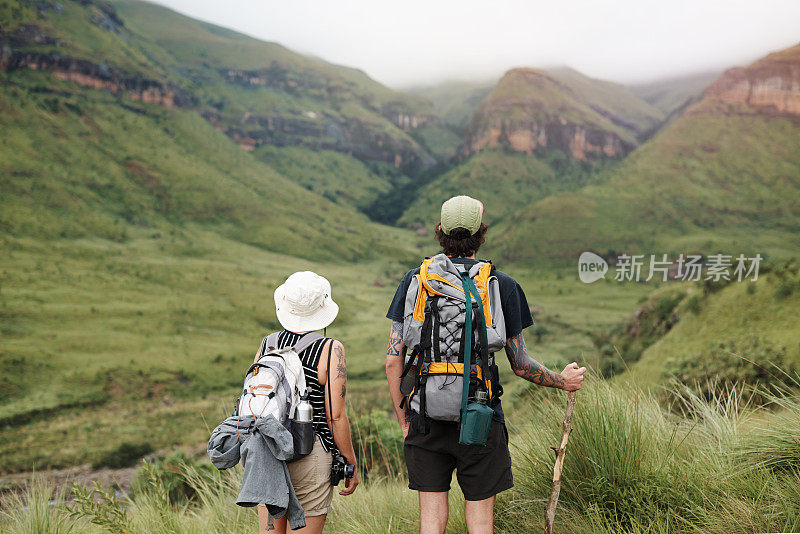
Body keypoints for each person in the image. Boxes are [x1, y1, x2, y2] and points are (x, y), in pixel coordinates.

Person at [385, 195, 585, 534]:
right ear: (481, 233)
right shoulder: (502, 285)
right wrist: (562, 381)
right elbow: (520, 364)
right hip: (480, 413)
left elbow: (394, 360)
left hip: (424, 416)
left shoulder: (415, 281)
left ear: (440, 232)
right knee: (480, 523)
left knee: (430, 523)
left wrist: (405, 418)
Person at [259, 271, 359, 534]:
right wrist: (350, 462)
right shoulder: (330, 348)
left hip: (267, 451)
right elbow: (335, 416)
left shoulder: (267, 343)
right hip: (309, 451)